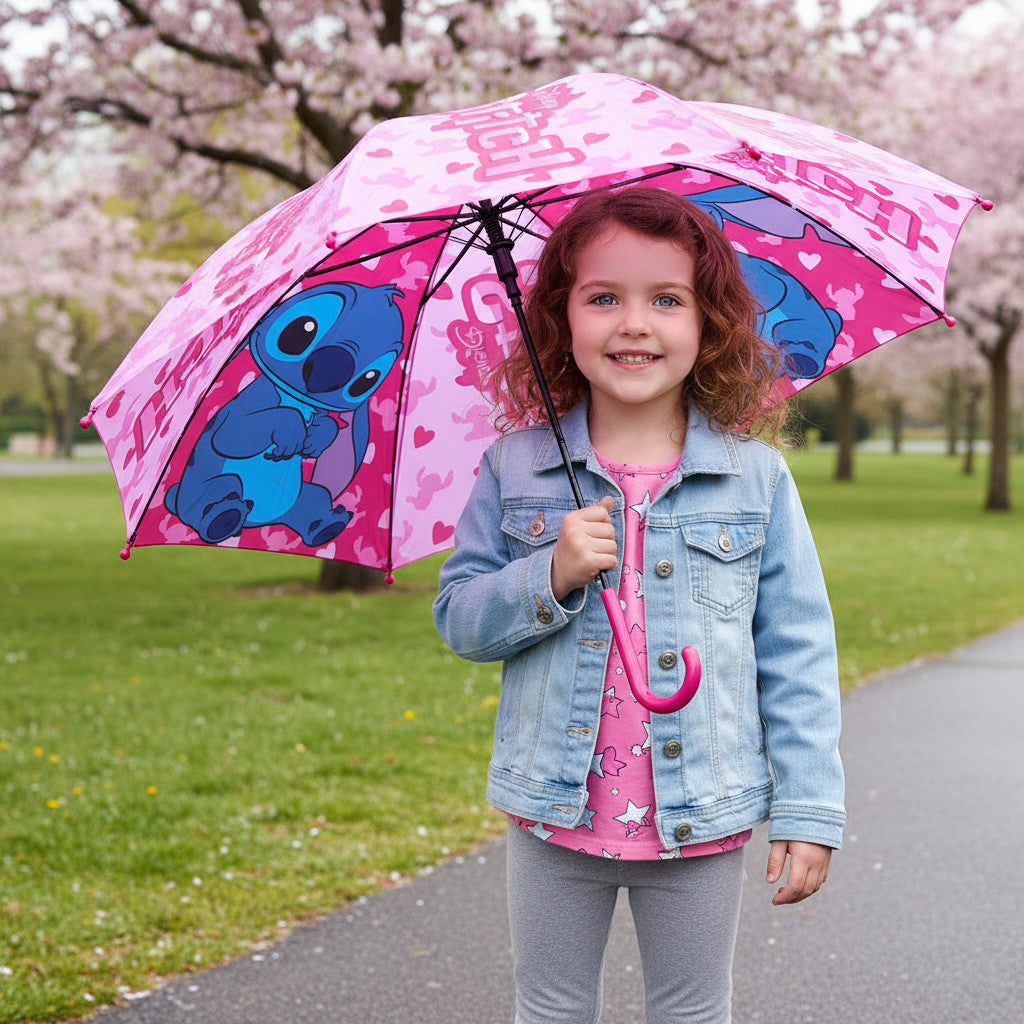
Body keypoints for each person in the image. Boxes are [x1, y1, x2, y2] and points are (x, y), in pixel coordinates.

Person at [432, 186, 844, 1024]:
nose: (634, 323)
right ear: (560, 317)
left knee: (692, 1011)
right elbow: (460, 618)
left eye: (666, 299)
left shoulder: (754, 478)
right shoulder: (517, 470)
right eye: (602, 298)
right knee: (548, 1007)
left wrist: (807, 808)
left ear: (709, 322)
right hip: (555, 813)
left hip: (701, 813)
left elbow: (796, 650)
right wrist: (547, 574)